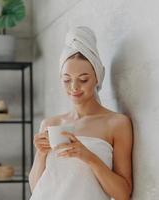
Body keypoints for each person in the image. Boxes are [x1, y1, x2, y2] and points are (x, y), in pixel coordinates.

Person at [28, 26, 133, 200]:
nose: (74, 87)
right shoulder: (50, 125)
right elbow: (36, 188)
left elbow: (123, 193)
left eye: (83, 79)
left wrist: (88, 157)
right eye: (67, 80)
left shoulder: (116, 123)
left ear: (97, 78)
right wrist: (40, 153)